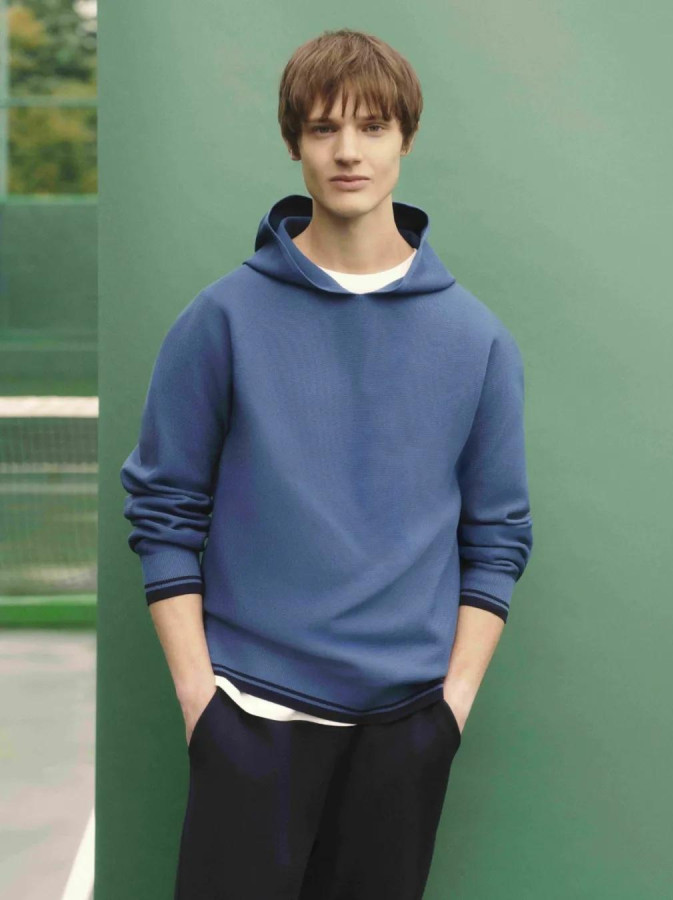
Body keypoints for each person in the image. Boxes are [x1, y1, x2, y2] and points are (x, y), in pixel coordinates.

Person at [119, 27, 534, 900]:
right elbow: (164, 513)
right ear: (294, 143)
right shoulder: (221, 320)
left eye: (373, 126)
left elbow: (498, 537)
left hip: (407, 728)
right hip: (250, 715)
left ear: (405, 137)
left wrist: (451, 708)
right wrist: (202, 705)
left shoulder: (477, 340)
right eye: (323, 128)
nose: (349, 151)